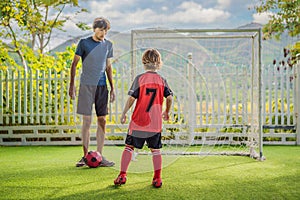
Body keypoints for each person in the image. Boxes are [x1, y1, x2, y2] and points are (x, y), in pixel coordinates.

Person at [114, 49, 173, 188]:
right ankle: (157, 178)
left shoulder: (139, 79)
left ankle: (122, 174)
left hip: (138, 122)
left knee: (129, 147)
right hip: (155, 123)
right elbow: (170, 97)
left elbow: (131, 98)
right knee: (156, 151)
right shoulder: (162, 80)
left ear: (143, 62)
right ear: (159, 63)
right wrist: (167, 112)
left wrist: (123, 113)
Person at [68, 17, 115, 167]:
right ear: (94, 29)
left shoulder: (108, 45)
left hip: (102, 87)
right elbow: (74, 65)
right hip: (86, 86)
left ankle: (99, 157)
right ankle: (85, 156)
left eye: (106, 30)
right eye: (101, 29)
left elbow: (108, 67)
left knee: (102, 120)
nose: (103, 33)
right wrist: (71, 86)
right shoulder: (84, 43)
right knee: (87, 121)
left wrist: (112, 87)